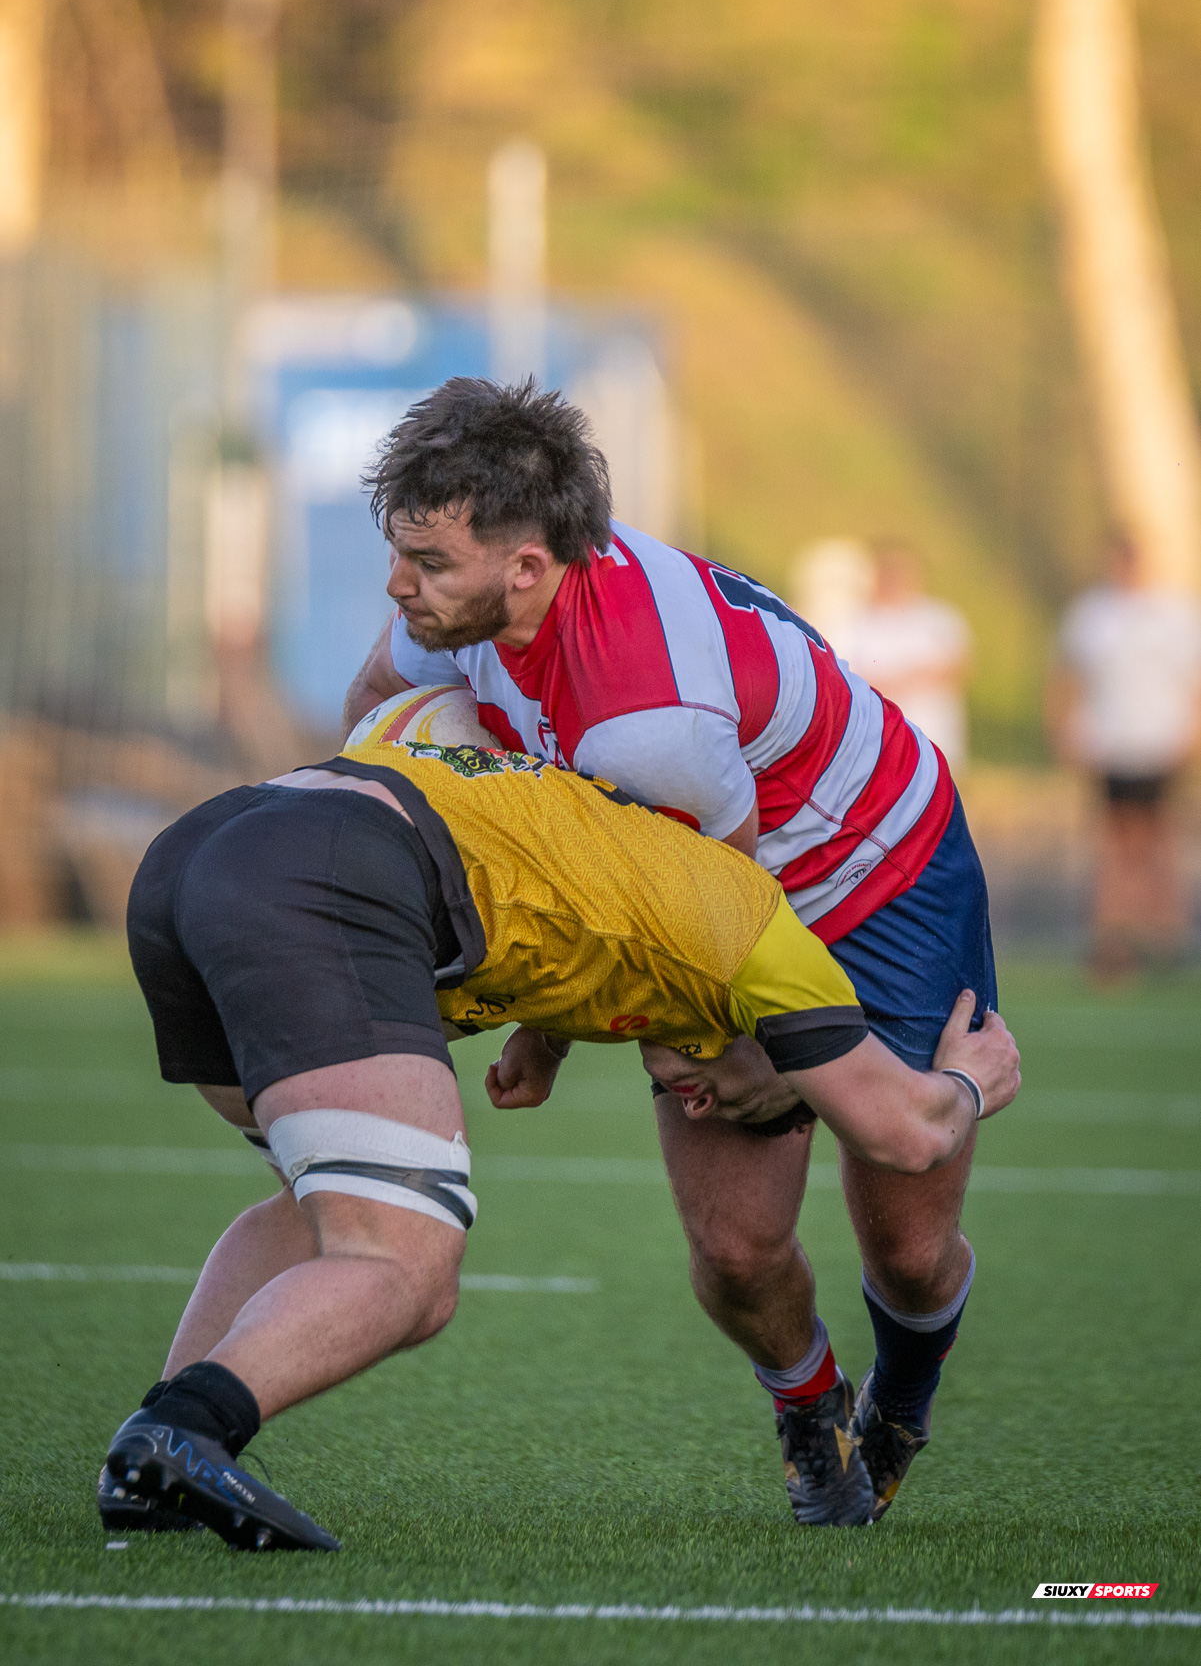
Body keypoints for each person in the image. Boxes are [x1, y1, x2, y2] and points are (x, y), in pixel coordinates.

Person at [101, 694, 1021, 1547]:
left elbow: (556, 891)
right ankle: (183, 1432)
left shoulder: (623, 876)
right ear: (769, 1038)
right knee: (406, 1265)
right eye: (723, 1086)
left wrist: (545, 1040)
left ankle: (151, 1455)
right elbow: (904, 1131)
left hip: (202, 852)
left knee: (319, 1206)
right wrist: (971, 1082)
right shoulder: (747, 931)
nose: (697, 1104)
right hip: (321, 877)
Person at [343, 378, 1002, 1525]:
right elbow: (374, 735)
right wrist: (544, 1026)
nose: (401, 590)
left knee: (906, 1243)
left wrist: (753, 1046)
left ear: (529, 567)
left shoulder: (642, 723)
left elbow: (709, 898)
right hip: (689, 864)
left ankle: (901, 1395)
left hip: (871, 875)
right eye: (399, 553)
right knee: (739, 1250)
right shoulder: (464, 607)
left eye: (429, 564)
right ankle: (810, 1406)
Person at [1047, 533, 1201, 977]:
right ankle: (1113, 941)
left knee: (1158, 843)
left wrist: (1190, 734)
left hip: (1160, 743)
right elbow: (1068, 676)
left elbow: (1191, 680)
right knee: (1114, 845)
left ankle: (1166, 939)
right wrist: (1066, 731)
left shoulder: (1173, 614)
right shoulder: (1093, 614)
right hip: (1112, 745)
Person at [843, 541, 972, 774]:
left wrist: (889, 682)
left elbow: (956, 669)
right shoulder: (854, 622)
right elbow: (846, 679)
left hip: (936, 739)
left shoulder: (940, 618)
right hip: (875, 747)